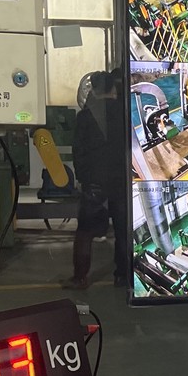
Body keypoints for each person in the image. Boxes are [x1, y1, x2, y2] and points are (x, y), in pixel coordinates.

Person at [62, 71, 130, 290]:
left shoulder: (85, 116)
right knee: (123, 230)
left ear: (94, 89)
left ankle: (80, 277)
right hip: (121, 180)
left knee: (85, 232)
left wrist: (83, 179)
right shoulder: (125, 112)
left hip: (94, 182)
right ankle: (123, 277)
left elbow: (78, 151)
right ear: (113, 88)